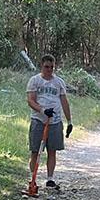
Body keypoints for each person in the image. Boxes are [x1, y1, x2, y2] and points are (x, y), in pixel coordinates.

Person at [26, 53, 73, 192]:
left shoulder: (59, 82)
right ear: (42, 66)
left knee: (52, 151)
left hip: (55, 121)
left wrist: (69, 121)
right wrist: (42, 110)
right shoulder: (34, 81)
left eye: (52, 67)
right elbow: (30, 100)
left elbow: (64, 102)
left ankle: (50, 179)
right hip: (38, 120)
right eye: (47, 67)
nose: (49, 70)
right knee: (35, 151)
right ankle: (32, 178)